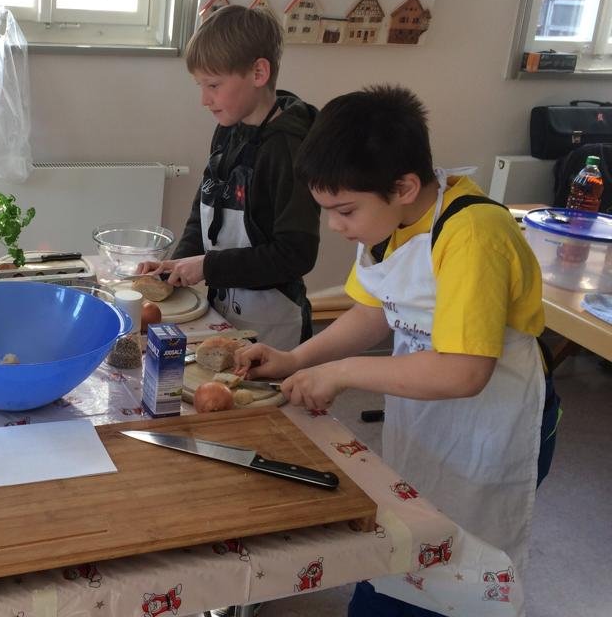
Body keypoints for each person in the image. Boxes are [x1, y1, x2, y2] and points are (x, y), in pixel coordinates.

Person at [234, 85, 561, 616]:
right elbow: (373, 311)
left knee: (467, 557)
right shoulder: (392, 222)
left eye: (344, 211)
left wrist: (343, 372)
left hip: (494, 417)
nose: (336, 226)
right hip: (429, 404)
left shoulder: (473, 234)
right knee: (411, 529)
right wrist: (297, 360)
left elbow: (464, 372)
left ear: (405, 186)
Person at [138, 4, 320, 348]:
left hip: (271, 322)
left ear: (258, 73)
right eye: (200, 85)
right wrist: (177, 265)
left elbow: (296, 254)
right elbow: (203, 210)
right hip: (223, 308)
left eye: (213, 85)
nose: (204, 100)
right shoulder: (228, 130)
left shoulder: (287, 149)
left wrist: (207, 267)